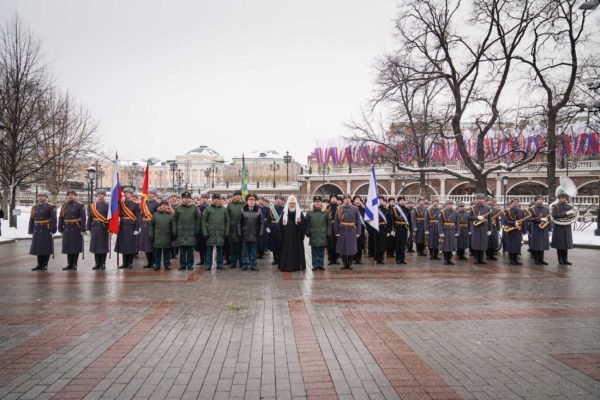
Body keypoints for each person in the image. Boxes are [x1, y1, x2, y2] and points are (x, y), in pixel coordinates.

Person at [59, 190, 86, 271]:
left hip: (75, 228)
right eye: (69, 195)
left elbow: (83, 218)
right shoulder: (64, 205)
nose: (70, 196)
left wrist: (82, 229)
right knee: (68, 246)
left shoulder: (80, 205)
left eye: (72, 195)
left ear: (75, 196)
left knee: (75, 247)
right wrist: (60, 228)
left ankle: (74, 264)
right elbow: (61, 217)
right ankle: (69, 264)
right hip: (67, 228)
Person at [29, 192, 57, 271]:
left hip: (46, 229)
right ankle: (39, 264)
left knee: (45, 247)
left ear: (46, 197)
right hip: (37, 229)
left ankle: (45, 265)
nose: (41, 198)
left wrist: (53, 230)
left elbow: (54, 219)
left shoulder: (51, 207)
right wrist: (30, 230)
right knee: (39, 248)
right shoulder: (35, 207)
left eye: (43, 196)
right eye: (39, 196)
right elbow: (31, 219)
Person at [278, 195, 306, 272]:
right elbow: (280, 226)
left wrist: (300, 223)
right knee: (287, 252)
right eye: (290, 203)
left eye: (293, 203)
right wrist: (280, 236)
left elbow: (304, 225)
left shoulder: (299, 213)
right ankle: (286, 266)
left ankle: (296, 266)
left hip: (296, 238)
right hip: (286, 238)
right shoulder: (284, 213)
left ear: (296, 204)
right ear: (288, 204)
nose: (292, 205)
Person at [202, 193, 229, 270]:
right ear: (212, 200)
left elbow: (227, 221)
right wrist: (205, 232)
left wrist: (226, 232)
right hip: (210, 233)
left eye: (218, 199)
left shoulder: (223, 209)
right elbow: (203, 221)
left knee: (220, 250)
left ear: (220, 200)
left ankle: (220, 265)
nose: (216, 200)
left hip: (221, 232)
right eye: (214, 199)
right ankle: (208, 265)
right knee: (209, 249)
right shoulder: (208, 209)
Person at [334, 193, 362, 270]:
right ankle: (344, 264)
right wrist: (336, 231)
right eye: (345, 198)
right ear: (343, 200)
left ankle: (349, 264)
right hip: (342, 230)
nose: (347, 200)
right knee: (343, 247)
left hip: (351, 230)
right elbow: (336, 221)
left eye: (348, 198)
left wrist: (358, 232)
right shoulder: (339, 208)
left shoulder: (355, 208)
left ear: (350, 199)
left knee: (351, 247)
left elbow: (358, 221)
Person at [238, 193, 264, 271]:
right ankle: (244, 265)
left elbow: (262, 223)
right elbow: (239, 223)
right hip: (245, 234)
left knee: (253, 252)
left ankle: (253, 265)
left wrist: (260, 232)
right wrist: (239, 232)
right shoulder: (242, 210)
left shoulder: (259, 211)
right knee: (244, 252)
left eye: (253, 200)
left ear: (255, 201)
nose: (252, 202)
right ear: (247, 201)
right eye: (250, 200)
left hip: (254, 234)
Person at [174, 191, 200, 270]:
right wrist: (175, 230)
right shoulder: (178, 208)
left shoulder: (194, 208)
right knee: (182, 250)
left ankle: (189, 265)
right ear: (182, 199)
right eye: (184, 198)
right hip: (181, 231)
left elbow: (198, 219)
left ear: (190, 199)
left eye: (188, 198)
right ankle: (182, 265)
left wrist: (197, 229)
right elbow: (174, 220)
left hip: (191, 231)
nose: (186, 199)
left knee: (190, 250)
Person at [116, 187, 140, 269]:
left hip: (131, 226)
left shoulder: (135, 204)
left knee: (130, 245)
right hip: (123, 225)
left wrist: (137, 228)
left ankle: (130, 263)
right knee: (123, 245)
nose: (126, 194)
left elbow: (137, 217)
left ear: (131, 194)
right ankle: (124, 263)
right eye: (125, 193)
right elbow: (118, 214)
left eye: (128, 193)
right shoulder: (121, 203)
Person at [306, 195, 330, 271]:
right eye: (316, 202)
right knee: (314, 251)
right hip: (313, 234)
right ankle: (315, 265)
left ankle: (321, 265)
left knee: (321, 251)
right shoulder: (310, 212)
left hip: (323, 234)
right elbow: (307, 223)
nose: (317, 203)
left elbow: (329, 223)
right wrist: (307, 232)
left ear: (321, 203)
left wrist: (328, 232)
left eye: (319, 202)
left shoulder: (325, 212)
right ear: (313, 203)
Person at [87, 189, 110, 270]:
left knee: (103, 246)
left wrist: (110, 229)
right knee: (95, 246)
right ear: (97, 196)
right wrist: (88, 228)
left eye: (102, 194)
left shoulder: (108, 206)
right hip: (94, 227)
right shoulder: (92, 206)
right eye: (98, 194)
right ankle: (97, 263)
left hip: (104, 228)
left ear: (104, 195)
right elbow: (90, 218)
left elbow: (110, 219)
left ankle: (103, 263)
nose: (100, 195)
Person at [502, 198, 529, 265]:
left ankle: (516, 260)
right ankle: (511, 260)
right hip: (510, 230)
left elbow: (523, 221)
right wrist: (514, 223)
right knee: (511, 246)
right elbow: (505, 221)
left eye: (517, 202)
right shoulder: (507, 211)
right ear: (511, 203)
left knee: (517, 245)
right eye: (514, 202)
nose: (516, 203)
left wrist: (523, 231)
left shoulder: (521, 211)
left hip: (518, 230)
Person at [551, 192, 574, 265]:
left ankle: (565, 259)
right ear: (559, 199)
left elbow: (573, 215)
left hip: (566, 226)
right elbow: (554, 216)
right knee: (560, 244)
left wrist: (571, 214)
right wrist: (566, 214)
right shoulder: (555, 206)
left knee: (565, 244)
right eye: (562, 198)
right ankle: (560, 259)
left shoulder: (569, 206)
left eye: (564, 198)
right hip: (559, 226)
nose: (564, 199)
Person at [139, 188, 160, 268]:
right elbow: (141, 215)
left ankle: (154, 262)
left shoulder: (157, 204)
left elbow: (157, 215)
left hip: (151, 225)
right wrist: (140, 225)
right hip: (144, 225)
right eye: (149, 193)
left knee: (151, 245)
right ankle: (149, 262)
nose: (149, 194)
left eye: (151, 193)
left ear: (154, 194)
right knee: (146, 245)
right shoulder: (145, 202)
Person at [150, 200, 174, 270]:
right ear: (160, 206)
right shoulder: (155, 215)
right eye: (162, 205)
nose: (164, 206)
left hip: (167, 236)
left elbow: (173, 227)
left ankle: (167, 264)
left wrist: (173, 235)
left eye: (165, 205)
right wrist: (151, 234)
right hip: (157, 236)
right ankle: (157, 265)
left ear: (168, 207)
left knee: (167, 252)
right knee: (157, 253)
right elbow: (151, 225)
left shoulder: (170, 215)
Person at [469, 193, 492, 265]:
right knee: (476, 244)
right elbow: (469, 217)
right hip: (476, 228)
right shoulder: (472, 208)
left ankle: (481, 259)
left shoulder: (487, 208)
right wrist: (477, 217)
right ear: (476, 199)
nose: (480, 200)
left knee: (483, 244)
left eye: (482, 199)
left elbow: (489, 219)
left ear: (484, 200)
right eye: (478, 199)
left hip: (484, 228)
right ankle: (476, 259)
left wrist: (490, 229)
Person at [528, 194, 551, 265]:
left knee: (542, 245)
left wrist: (550, 229)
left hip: (544, 228)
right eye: (539, 199)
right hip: (536, 229)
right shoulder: (531, 209)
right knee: (537, 245)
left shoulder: (546, 209)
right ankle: (536, 260)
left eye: (541, 199)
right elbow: (529, 219)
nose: (541, 200)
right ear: (535, 201)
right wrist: (540, 219)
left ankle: (541, 259)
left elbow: (549, 219)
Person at [391, 196, 412, 264]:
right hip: (397, 228)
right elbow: (392, 220)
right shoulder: (394, 209)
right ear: (398, 201)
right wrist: (393, 228)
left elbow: (409, 220)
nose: (402, 201)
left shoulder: (407, 210)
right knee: (397, 244)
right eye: (401, 200)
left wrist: (410, 229)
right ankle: (398, 259)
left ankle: (403, 259)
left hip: (404, 228)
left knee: (403, 244)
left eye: (403, 200)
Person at [227, 190, 245, 268]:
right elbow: (227, 217)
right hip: (232, 229)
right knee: (232, 248)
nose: (238, 196)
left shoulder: (244, 205)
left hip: (242, 229)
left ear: (241, 196)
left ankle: (242, 262)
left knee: (241, 247)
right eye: (236, 195)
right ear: (234, 196)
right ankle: (233, 262)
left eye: (239, 195)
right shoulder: (230, 205)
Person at [438, 199, 459, 265]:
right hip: (445, 230)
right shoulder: (442, 212)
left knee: (451, 246)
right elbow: (440, 223)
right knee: (446, 246)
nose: (450, 205)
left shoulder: (455, 212)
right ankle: (445, 260)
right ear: (446, 205)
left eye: (451, 204)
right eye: (449, 204)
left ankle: (450, 260)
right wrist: (441, 232)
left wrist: (457, 231)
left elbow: (457, 223)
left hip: (452, 230)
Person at [267, 195, 284, 265]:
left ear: (282, 201)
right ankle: (275, 259)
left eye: (280, 199)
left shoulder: (284, 209)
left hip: (281, 228)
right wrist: (269, 227)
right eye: (277, 199)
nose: (278, 200)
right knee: (274, 244)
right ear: (275, 200)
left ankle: (281, 258)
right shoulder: (271, 209)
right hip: (273, 227)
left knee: (280, 243)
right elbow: (268, 219)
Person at [374, 195, 391, 264]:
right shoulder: (374, 209)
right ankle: (376, 258)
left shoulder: (387, 210)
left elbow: (389, 220)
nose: (380, 201)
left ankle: (381, 258)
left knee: (383, 244)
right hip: (376, 228)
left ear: (384, 201)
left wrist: (389, 230)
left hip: (383, 228)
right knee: (376, 243)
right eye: (379, 200)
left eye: (382, 200)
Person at [195, 194, 210, 265]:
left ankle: (207, 260)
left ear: (207, 200)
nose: (204, 199)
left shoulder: (209, 208)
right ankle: (202, 260)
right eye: (202, 198)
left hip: (207, 229)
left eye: (205, 198)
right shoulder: (197, 208)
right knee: (201, 246)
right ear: (200, 200)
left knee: (207, 246)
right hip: (200, 230)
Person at [486, 196, 501, 261]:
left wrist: (498, 228)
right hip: (487, 226)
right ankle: (487, 255)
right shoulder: (485, 208)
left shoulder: (495, 209)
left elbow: (497, 219)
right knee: (488, 241)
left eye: (492, 200)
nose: (491, 201)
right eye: (489, 200)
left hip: (494, 226)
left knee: (494, 240)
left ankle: (492, 255)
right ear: (486, 201)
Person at [352, 195, 367, 264]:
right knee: (353, 244)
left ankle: (359, 259)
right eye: (356, 199)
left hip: (361, 228)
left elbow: (366, 220)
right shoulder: (351, 208)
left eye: (359, 199)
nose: (358, 200)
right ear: (353, 201)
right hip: (353, 228)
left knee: (360, 244)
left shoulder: (363, 209)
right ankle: (353, 258)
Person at [327, 194, 340, 265]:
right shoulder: (327, 207)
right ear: (330, 199)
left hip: (337, 227)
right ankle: (331, 259)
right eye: (332, 198)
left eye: (335, 198)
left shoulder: (339, 207)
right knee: (330, 243)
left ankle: (336, 259)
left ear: (337, 199)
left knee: (337, 243)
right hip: (329, 226)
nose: (333, 199)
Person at [168, 194, 180, 259]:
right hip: (169, 224)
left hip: (177, 224)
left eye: (174, 197)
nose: (173, 198)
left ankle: (176, 253)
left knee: (177, 240)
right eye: (172, 197)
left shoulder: (179, 206)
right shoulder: (168, 206)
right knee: (170, 239)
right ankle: (171, 253)